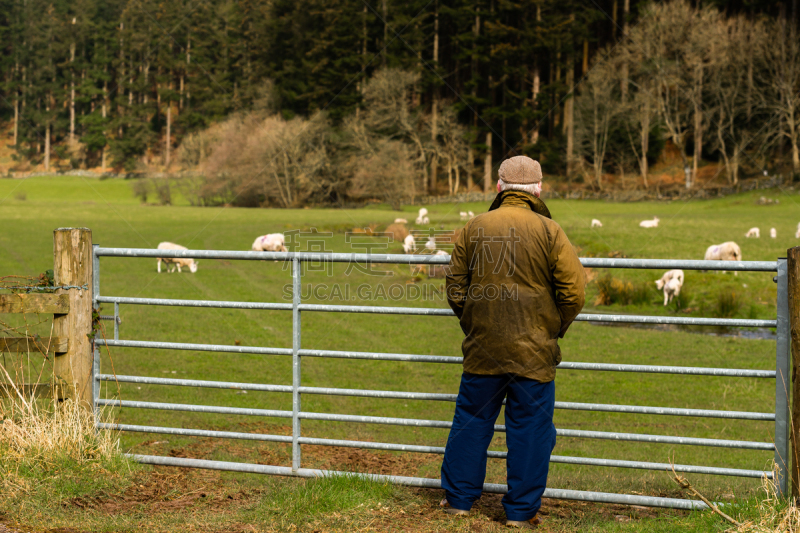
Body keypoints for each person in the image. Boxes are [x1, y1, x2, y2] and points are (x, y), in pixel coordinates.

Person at [440, 156, 585, 529]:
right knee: (532, 430)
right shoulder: (550, 231)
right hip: (533, 354)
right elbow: (573, 293)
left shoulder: (474, 227)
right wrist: (553, 329)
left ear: (500, 187)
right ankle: (520, 513)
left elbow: (455, 287)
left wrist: (474, 323)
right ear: (538, 189)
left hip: (483, 350)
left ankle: (458, 502)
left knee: (471, 423)